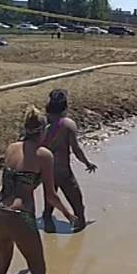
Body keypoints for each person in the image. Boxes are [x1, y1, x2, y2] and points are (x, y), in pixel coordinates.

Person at [0, 107, 78, 274]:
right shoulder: (44, 155)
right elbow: (51, 196)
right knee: (38, 273)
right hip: (20, 217)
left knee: (1, 266)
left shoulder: (12, 147)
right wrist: (68, 214)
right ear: (44, 130)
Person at [41, 89, 97, 233]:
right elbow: (76, 150)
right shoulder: (67, 125)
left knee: (50, 197)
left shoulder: (41, 124)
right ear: (65, 107)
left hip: (46, 169)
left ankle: (47, 220)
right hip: (62, 170)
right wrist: (87, 163)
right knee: (77, 201)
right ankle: (80, 224)